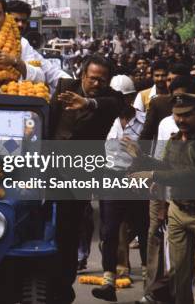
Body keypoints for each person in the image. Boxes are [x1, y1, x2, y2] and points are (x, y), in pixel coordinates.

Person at [129, 93, 195, 304]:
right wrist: (145, 163)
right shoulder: (174, 140)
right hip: (177, 211)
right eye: (177, 115)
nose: (181, 120)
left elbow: (193, 174)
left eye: (187, 115)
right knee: (178, 273)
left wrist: (153, 174)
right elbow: (170, 168)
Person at [49, 55, 124, 304]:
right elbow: (48, 124)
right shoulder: (63, 88)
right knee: (47, 228)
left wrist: (88, 102)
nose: (97, 83)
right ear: (82, 76)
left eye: (102, 80)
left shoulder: (111, 99)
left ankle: (63, 287)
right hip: (53, 170)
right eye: (92, 79)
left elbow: (110, 106)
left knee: (70, 232)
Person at [93, 75, 148, 301]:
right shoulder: (104, 120)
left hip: (138, 179)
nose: (118, 103)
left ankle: (149, 281)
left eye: (122, 98)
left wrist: (140, 154)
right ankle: (109, 281)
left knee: (144, 230)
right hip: (111, 178)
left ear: (130, 98)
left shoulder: (146, 121)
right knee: (109, 230)